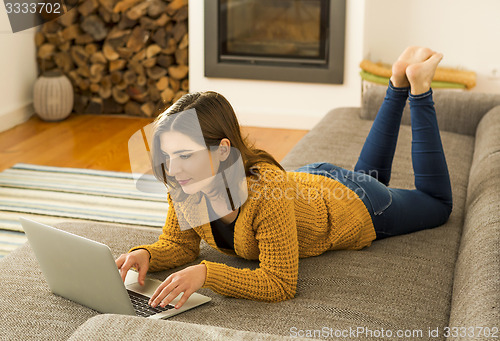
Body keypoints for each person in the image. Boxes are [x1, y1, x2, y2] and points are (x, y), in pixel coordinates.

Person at [115, 46, 453, 310]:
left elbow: (279, 283)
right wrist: (147, 254)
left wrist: (208, 273)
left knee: (435, 204)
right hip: (308, 182)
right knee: (369, 176)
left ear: (222, 150)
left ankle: (418, 87)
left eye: (185, 156)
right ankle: (397, 80)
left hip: (353, 205)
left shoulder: (264, 195)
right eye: (168, 157)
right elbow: (179, 244)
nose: (172, 170)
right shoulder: (185, 184)